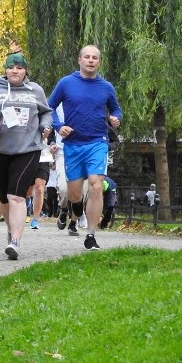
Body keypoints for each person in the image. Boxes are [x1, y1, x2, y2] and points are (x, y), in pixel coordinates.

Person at [48, 45, 122, 251]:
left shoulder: (106, 87)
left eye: (95, 58)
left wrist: (116, 118)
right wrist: (58, 126)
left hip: (97, 142)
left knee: (96, 185)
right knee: (74, 194)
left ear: (99, 62)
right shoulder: (66, 83)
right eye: (87, 57)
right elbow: (49, 106)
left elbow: (115, 108)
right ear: (79, 59)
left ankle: (90, 235)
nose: (91, 60)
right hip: (72, 144)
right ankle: (76, 207)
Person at [0, 52, 52, 260]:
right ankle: (11, 229)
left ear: (25, 71)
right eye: (11, 67)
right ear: (5, 70)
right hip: (0, 149)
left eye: (20, 68)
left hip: (28, 148)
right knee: (5, 198)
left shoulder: (36, 90)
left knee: (17, 195)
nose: (15, 71)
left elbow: (46, 112)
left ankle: (15, 241)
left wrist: (45, 126)